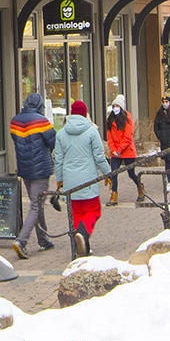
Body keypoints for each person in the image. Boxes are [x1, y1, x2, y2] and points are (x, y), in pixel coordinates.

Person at [53, 99, 112, 239]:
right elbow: (99, 157)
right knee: (94, 210)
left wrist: (59, 180)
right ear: (85, 114)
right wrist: (108, 174)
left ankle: (80, 245)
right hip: (88, 181)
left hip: (69, 181)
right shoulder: (92, 131)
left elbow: (58, 160)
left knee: (76, 213)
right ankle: (83, 235)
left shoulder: (61, 133)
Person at [8, 91, 59, 253]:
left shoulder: (15, 121)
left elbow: (16, 141)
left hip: (25, 169)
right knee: (36, 206)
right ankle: (21, 241)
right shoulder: (41, 121)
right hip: (41, 170)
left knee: (38, 204)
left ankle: (43, 240)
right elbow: (53, 141)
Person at [100, 95, 141, 205]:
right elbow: (110, 138)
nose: (115, 108)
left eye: (117, 106)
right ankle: (114, 195)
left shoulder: (128, 119)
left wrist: (120, 150)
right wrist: (113, 150)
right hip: (115, 153)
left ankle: (140, 189)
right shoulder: (110, 120)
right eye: (114, 106)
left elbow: (128, 137)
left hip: (127, 152)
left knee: (131, 174)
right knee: (114, 173)